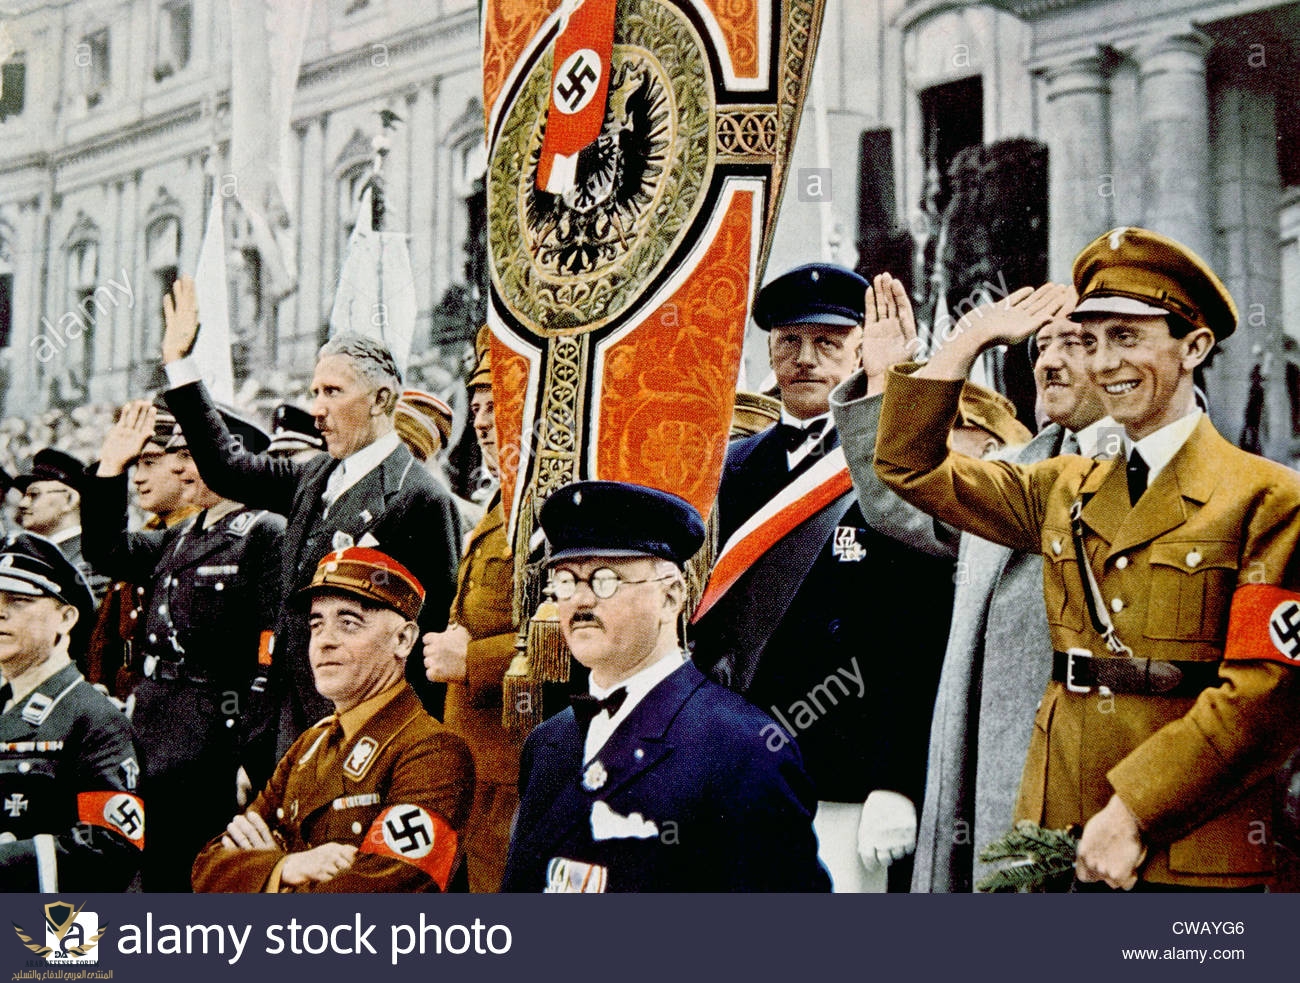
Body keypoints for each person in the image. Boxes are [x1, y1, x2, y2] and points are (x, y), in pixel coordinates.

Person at [874, 227, 1300, 891]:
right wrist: (966, 341)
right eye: (1092, 339)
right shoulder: (1060, 484)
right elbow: (907, 465)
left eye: (1126, 337)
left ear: (1195, 346)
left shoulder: (1269, 498)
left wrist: (1132, 810)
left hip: (1188, 848)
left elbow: (1264, 698)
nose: (1104, 362)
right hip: (1052, 839)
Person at [832, 272, 1113, 891]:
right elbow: (896, 501)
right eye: (1042, 346)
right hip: (987, 785)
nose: (1051, 362)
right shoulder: (1011, 474)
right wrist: (943, 354)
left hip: (1104, 803)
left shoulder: (1163, 473)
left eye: (1077, 343)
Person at [689, 263, 959, 892]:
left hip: (844, 766)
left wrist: (896, 779)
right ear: (769, 350)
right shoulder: (727, 465)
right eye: (790, 342)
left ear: (862, 350)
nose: (805, 360)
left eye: (828, 343)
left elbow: (917, 637)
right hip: (735, 753)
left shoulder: (891, 461)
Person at [157, 276, 461, 769]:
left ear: (381, 399)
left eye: (333, 392)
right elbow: (227, 468)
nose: (316, 410)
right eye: (314, 391)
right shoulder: (313, 475)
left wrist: (412, 756)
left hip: (371, 733)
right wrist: (181, 366)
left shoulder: (420, 497)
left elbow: (432, 636)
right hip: (294, 729)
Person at [503, 480, 829, 892]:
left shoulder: (741, 750)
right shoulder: (550, 743)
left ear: (671, 596)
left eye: (606, 580)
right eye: (566, 580)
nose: (581, 601)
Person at [82, 399, 286, 891]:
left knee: (199, 874)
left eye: (192, 456)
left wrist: (249, 752)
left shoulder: (263, 533)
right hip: (156, 721)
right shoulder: (178, 537)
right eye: (177, 456)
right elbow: (106, 550)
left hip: (215, 730)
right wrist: (111, 467)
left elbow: (269, 655)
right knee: (152, 868)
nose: (178, 467)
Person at [191, 546, 474, 893]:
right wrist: (289, 866)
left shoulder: (432, 753)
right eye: (316, 624)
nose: (323, 642)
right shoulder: (311, 744)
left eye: (348, 623)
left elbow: (382, 897)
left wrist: (264, 879)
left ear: (403, 640)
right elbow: (207, 868)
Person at [423, 330, 523, 892]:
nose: (482, 422)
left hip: (512, 768)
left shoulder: (545, 507)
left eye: (498, 406)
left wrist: (474, 658)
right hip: (472, 767)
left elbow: (578, 632)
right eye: (478, 408)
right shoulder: (500, 502)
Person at [0, 533, 144, 892]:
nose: (0, 612)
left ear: (65, 618)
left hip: (54, 929)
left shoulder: (94, 718)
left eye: (18, 600)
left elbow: (111, 845)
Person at [84, 399, 203, 695]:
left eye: (150, 462)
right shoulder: (155, 536)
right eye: (135, 465)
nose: (137, 478)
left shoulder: (208, 537)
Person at [13, 448, 108, 602]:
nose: (22, 504)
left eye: (34, 495)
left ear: (70, 500)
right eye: (24, 495)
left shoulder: (98, 557)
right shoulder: (24, 552)